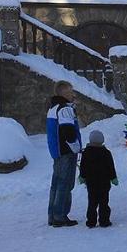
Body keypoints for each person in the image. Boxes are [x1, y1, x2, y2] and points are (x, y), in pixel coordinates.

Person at [45, 80, 82, 227]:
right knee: (65, 184)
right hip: (66, 152)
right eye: (71, 91)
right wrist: (76, 147)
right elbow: (68, 132)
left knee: (56, 184)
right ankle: (60, 215)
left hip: (57, 151)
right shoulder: (65, 109)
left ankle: (52, 215)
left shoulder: (52, 108)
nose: (73, 94)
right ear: (64, 93)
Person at [79, 129, 118, 228]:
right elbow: (111, 167)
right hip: (104, 182)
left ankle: (91, 221)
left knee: (92, 202)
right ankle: (104, 221)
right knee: (104, 202)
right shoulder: (106, 153)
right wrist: (113, 178)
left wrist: (82, 176)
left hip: (91, 183)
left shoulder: (86, 153)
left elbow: (83, 166)